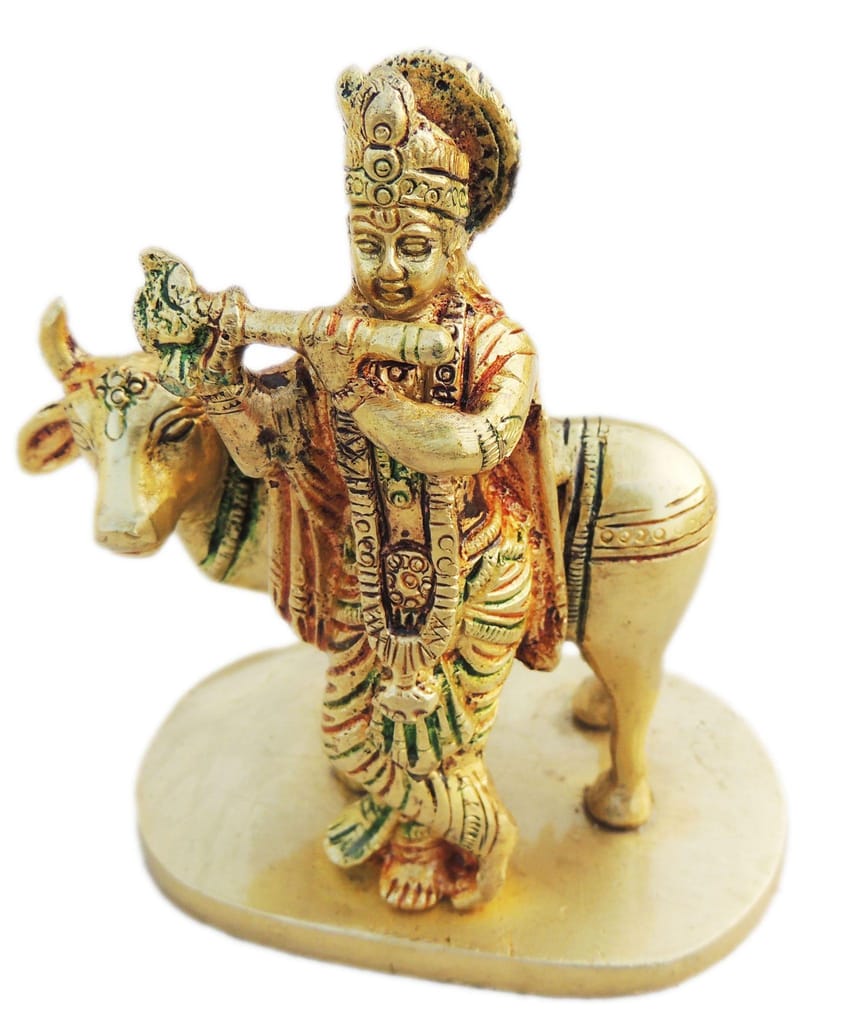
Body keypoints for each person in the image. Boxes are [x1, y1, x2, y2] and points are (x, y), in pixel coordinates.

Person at [135, 53, 564, 911]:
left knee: (431, 746)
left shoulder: (495, 343)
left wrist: (357, 393)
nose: (388, 268)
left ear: (455, 244)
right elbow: (267, 456)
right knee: (346, 738)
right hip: (367, 577)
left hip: (479, 574)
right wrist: (216, 381)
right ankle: (398, 803)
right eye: (368, 244)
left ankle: (455, 838)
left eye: (413, 247)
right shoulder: (339, 331)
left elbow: (473, 442)